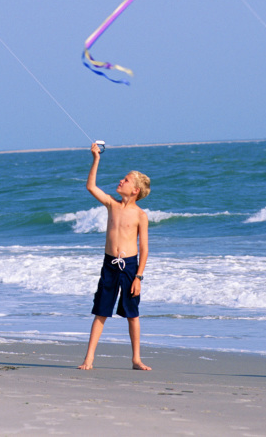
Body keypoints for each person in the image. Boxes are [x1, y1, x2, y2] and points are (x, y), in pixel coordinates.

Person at [77, 142, 151, 371]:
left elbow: (145, 249)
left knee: (132, 314)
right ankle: (89, 359)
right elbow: (91, 187)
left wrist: (139, 277)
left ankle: (136, 359)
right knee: (101, 311)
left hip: (129, 267)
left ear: (135, 190)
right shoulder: (111, 204)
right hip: (109, 264)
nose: (121, 181)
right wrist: (96, 158)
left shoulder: (140, 215)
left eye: (126, 180)